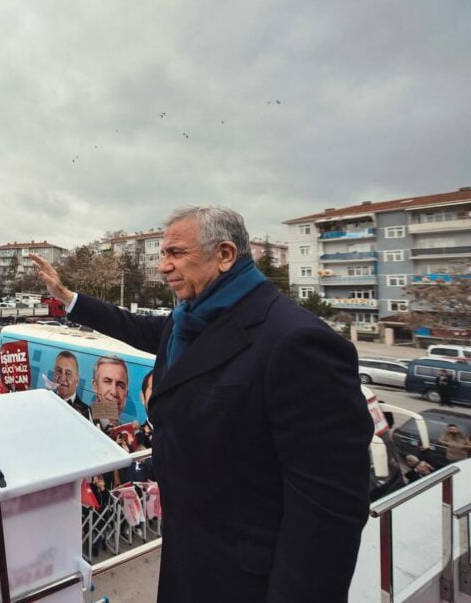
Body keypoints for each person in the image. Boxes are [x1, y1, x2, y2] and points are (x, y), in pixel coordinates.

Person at [30, 205, 372, 602]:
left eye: (175, 253)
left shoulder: (296, 341)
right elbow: (134, 325)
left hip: (244, 581)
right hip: (189, 559)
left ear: (224, 255)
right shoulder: (188, 320)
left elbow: (328, 514)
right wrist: (69, 298)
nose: (162, 266)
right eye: (161, 254)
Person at [90, 356, 129, 420]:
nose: (114, 392)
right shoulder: (80, 422)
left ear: (126, 393)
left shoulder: (124, 429)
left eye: (120, 384)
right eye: (107, 381)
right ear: (95, 386)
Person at [52, 351, 89, 417]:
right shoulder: (44, 400)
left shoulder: (87, 413)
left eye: (68, 373)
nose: (62, 378)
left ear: (77, 380)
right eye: (59, 371)